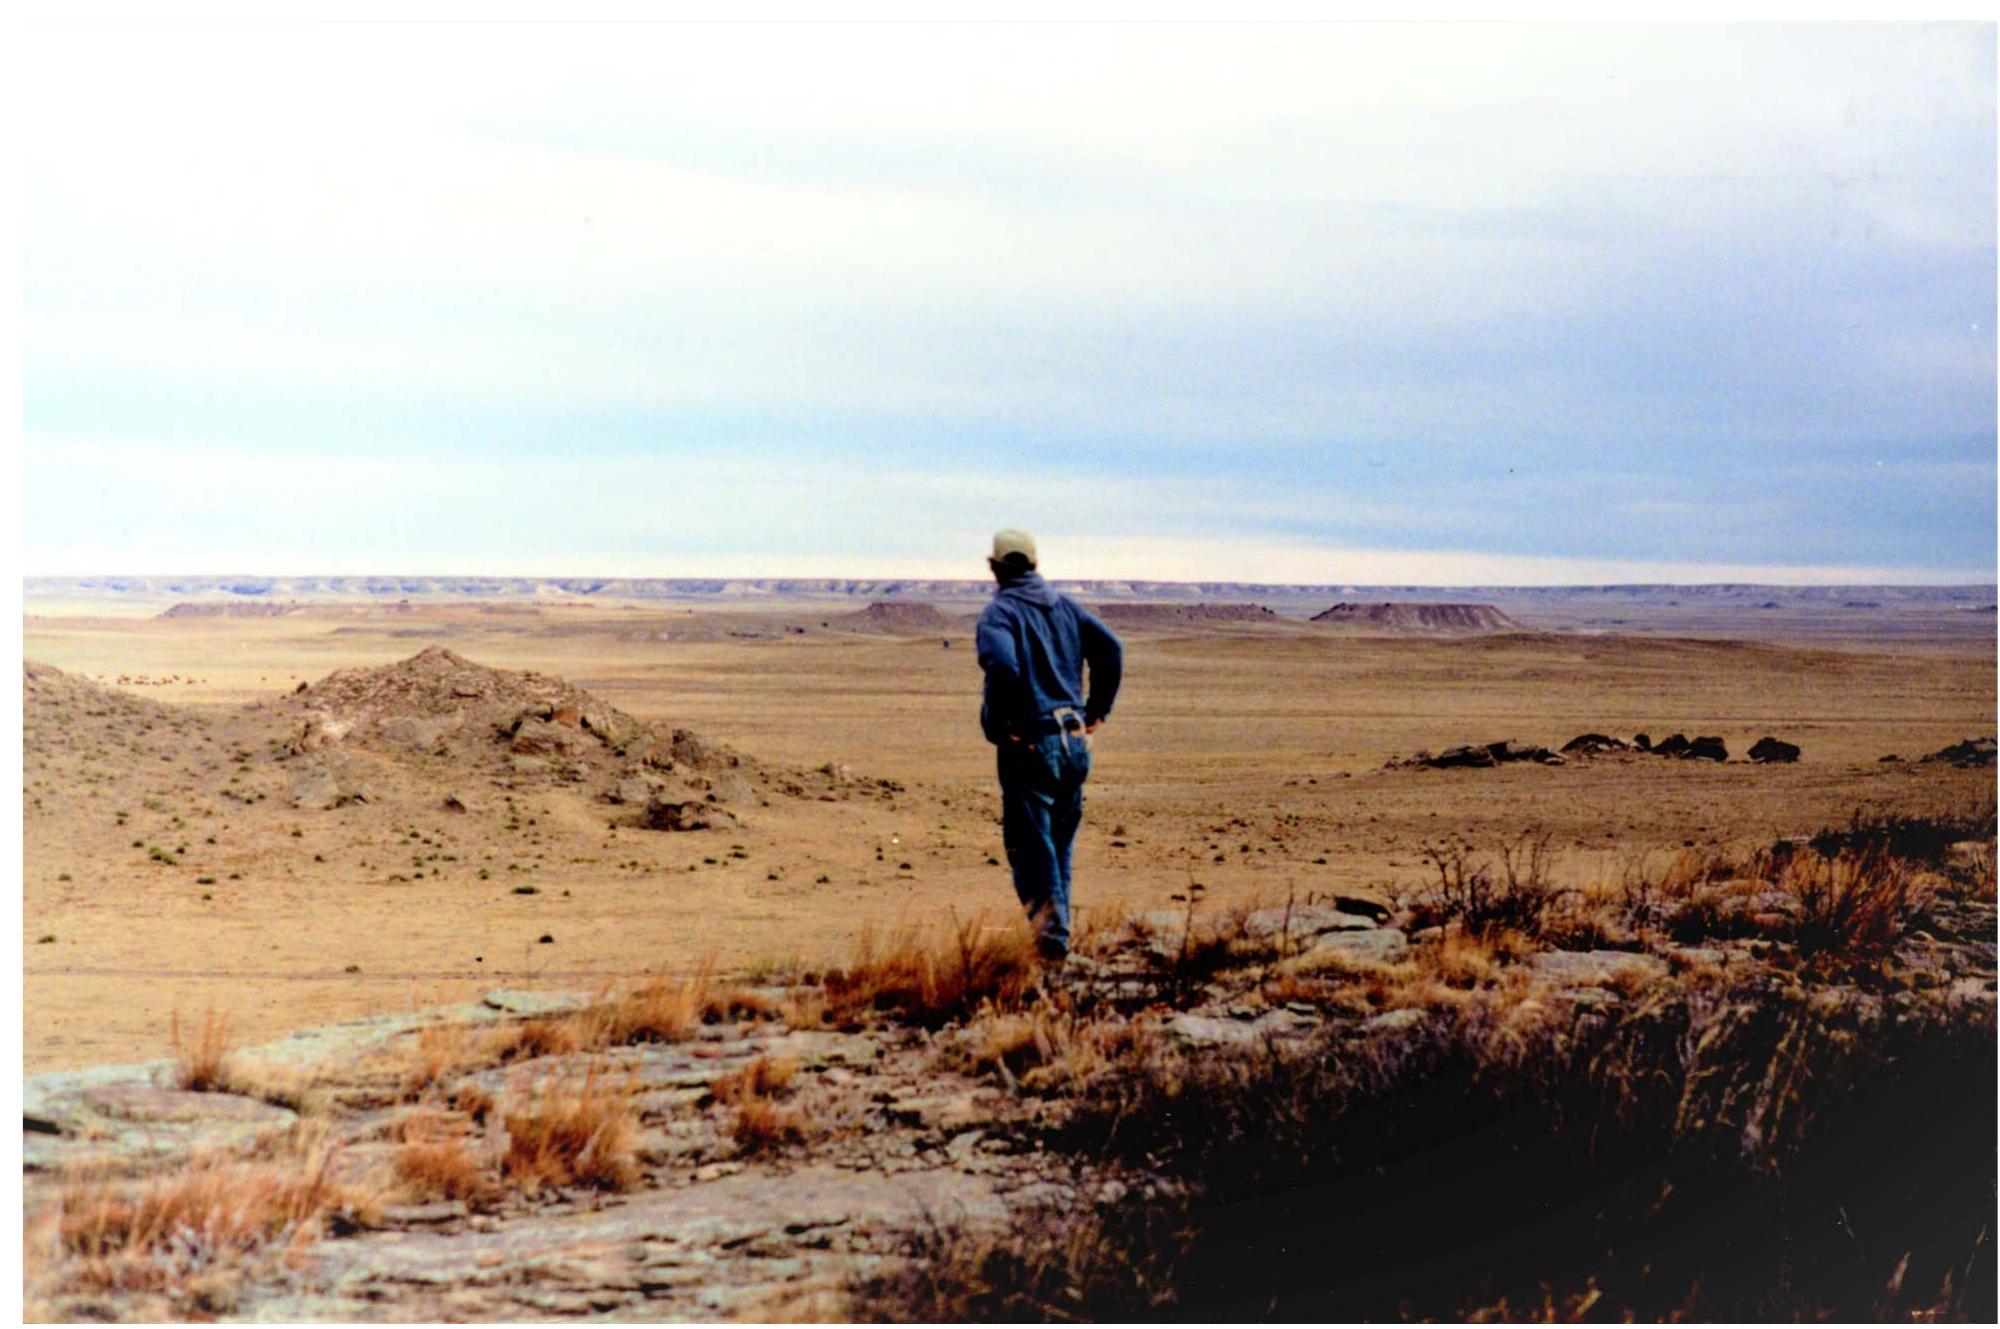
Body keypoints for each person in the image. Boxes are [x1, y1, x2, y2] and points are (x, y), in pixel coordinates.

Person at [975, 529, 1123, 963]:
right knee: (1059, 848)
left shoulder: (999, 613)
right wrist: (1096, 711)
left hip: (1032, 744)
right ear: (1035, 565)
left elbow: (1001, 663)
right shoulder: (1065, 606)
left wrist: (1007, 725)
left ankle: (1052, 952)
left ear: (995, 567)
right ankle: (1058, 942)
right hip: (1074, 742)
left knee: (1033, 850)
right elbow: (1110, 649)